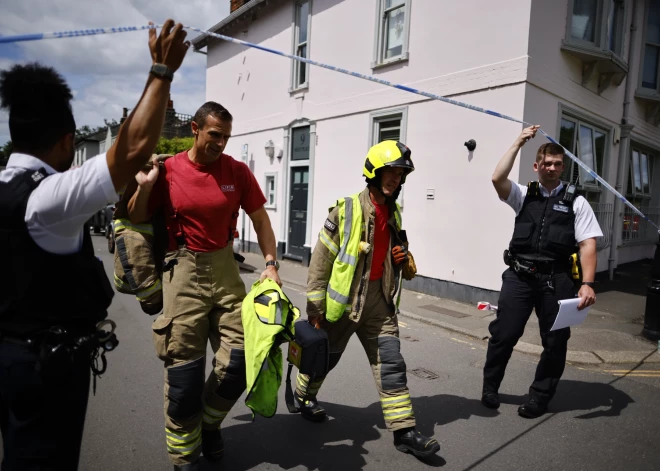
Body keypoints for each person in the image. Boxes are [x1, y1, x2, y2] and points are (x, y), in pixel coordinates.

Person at [0, 20, 190, 470]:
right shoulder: (47, 199)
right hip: (45, 368)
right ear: (68, 141)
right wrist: (161, 70)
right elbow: (134, 147)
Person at [127, 101, 281, 470]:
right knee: (184, 377)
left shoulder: (237, 172)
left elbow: (260, 219)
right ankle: (184, 456)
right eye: (214, 134)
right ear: (195, 129)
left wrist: (272, 265)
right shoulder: (168, 170)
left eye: (226, 137)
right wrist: (147, 187)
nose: (221, 143)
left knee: (242, 361)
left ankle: (209, 424)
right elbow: (134, 215)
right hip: (183, 272)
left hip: (227, 270)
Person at [295, 140, 441, 459]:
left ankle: (404, 431)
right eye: (391, 172)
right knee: (325, 361)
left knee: (391, 365)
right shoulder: (345, 210)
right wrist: (315, 309)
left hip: (379, 304)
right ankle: (303, 395)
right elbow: (320, 262)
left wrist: (402, 258)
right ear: (373, 172)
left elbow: (395, 253)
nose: (396, 179)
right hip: (344, 305)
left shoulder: (394, 213)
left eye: (401, 174)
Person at [482, 125, 602, 418]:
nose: (551, 168)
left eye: (557, 164)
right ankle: (490, 387)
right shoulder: (523, 194)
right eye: (546, 163)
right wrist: (519, 141)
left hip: (557, 279)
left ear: (563, 167)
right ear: (537, 166)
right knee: (504, 334)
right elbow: (497, 178)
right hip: (519, 277)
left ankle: (539, 397)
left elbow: (588, 244)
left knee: (555, 341)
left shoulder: (577, 201)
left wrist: (587, 283)